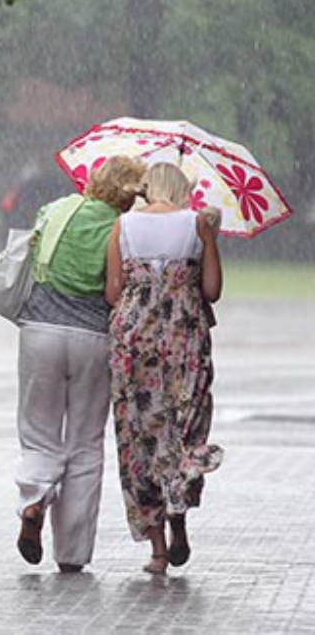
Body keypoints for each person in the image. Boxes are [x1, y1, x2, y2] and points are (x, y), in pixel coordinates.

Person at [14, 155, 145, 573]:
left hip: (39, 333)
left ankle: (33, 499)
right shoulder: (123, 229)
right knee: (86, 444)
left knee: (39, 434)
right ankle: (71, 554)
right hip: (93, 339)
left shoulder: (54, 209)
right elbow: (119, 288)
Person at [105, 162, 224, 576]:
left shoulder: (123, 225)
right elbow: (212, 290)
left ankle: (157, 551)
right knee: (186, 425)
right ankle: (178, 506)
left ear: (148, 188)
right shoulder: (197, 224)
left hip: (133, 340)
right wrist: (203, 244)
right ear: (181, 189)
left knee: (139, 433)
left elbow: (111, 291)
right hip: (184, 335)